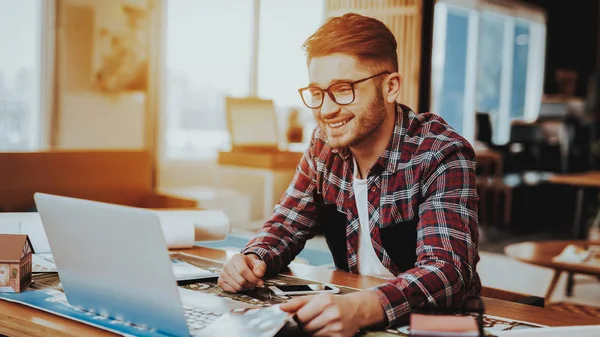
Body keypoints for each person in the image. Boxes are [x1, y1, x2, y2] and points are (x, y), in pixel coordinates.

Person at [217, 12, 481, 336]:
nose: (327, 110)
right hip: (348, 313)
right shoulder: (323, 146)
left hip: (432, 325)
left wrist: (363, 307)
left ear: (390, 86)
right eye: (317, 93)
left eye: (343, 89)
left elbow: (447, 274)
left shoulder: (440, 153)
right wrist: (252, 258)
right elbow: (285, 225)